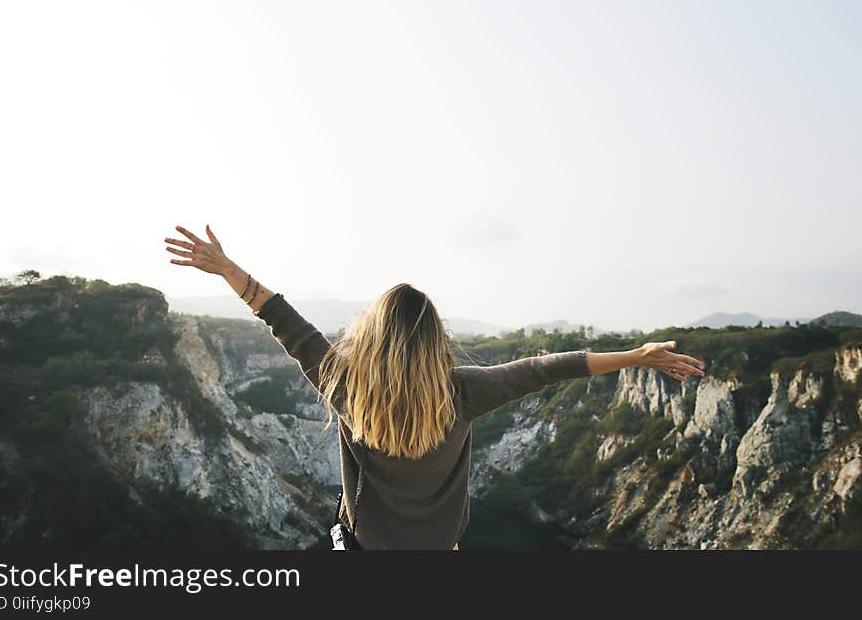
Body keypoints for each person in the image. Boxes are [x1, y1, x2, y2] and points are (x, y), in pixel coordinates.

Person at [165, 224, 706, 550]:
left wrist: (229, 269)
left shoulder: (346, 385)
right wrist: (637, 356)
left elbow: (282, 320)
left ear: (370, 336)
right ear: (436, 339)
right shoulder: (463, 392)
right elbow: (550, 367)